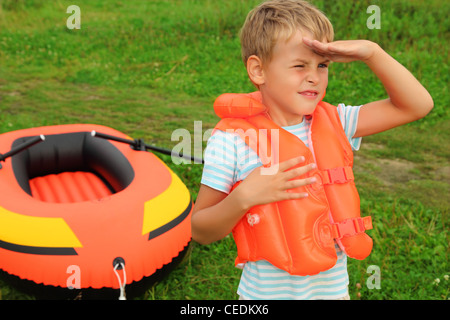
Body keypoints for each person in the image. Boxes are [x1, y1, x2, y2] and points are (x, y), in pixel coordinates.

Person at [191, 0, 433, 300]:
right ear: (258, 69)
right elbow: (200, 230)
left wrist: (373, 52)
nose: (314, 77)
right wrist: (244, 197)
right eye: (299, 65)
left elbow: (417, 105)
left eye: (322, 65)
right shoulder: (232, 139)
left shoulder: (338, 121)